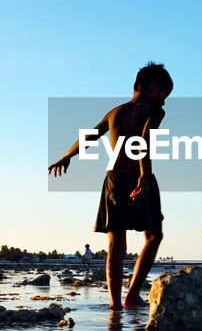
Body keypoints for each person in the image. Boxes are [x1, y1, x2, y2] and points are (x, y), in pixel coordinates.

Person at [49, 62, 173, 310]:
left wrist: (67, 156)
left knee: (116, 244)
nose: (164, 102)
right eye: (164, 95)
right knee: (154, 235)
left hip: (114, 179)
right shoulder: (154, 111)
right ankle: (132, 294)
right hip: (139, 175)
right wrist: (144, 176)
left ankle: (115, 304)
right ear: (152, 88)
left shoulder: (115, 112)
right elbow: (143, 142)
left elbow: (91, 135)